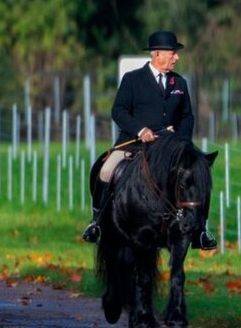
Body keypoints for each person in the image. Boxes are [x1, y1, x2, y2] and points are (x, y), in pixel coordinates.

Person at [82, 30, 217, 250]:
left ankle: (201, 230)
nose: (177, 57)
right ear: (157, 54)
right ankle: (96, 222)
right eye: (173, 53)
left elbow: (187, 117)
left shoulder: (179, 83)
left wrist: (178, 140)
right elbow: (119, 111)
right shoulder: (133, 79)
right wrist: (140, 130)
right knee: (106, 171)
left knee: (199, 170)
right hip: (134, 144)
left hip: (172, 148)